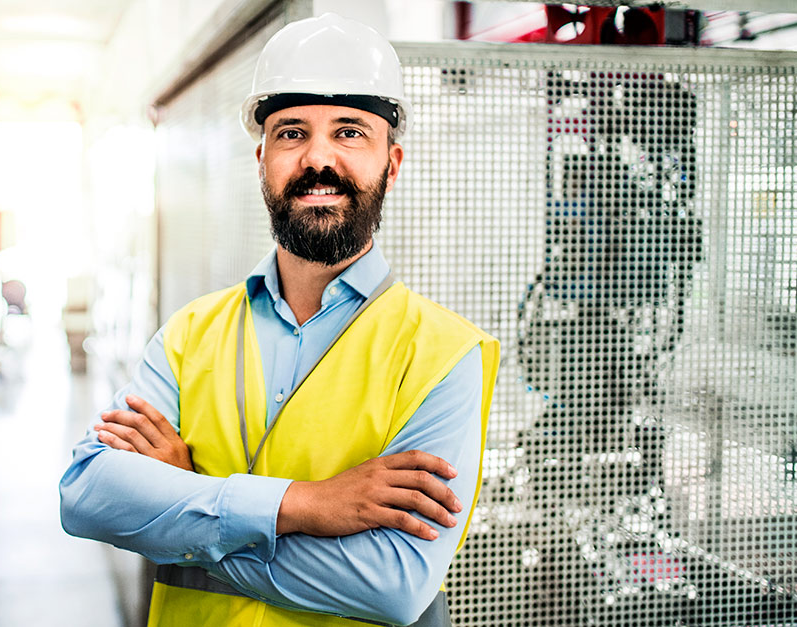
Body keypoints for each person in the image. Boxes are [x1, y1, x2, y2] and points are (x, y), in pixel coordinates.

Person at [60, 13, 500, 627]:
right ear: (261, 156)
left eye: (350, 132)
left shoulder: (444, 355)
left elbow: (394, 583)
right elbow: (87, 495)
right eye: (292, 132)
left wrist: (185, 517)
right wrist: (307, 505)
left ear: (392, 164)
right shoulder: (191, 334)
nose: (318, 158)